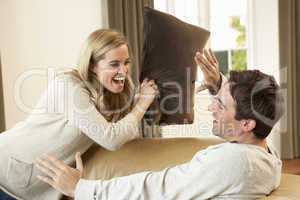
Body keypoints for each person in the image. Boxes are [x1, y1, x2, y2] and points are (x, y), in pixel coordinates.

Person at [36, 49, 285, 199]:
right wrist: (219, 86)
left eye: (219, 103)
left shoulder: (236, 162)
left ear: (247, 124)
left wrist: (81, 189)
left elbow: (156, 188)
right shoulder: (266, 153)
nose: (211, 107)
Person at [0, 29, 159, 200]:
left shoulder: (113, 96)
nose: (123, 71)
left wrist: (137, 103)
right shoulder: (69, 86)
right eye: (114, 64)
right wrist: (141, 104)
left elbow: (128, 133)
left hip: (32, 190)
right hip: (6, 173)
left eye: (126, 62)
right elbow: (112, 139)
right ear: (92, 65)